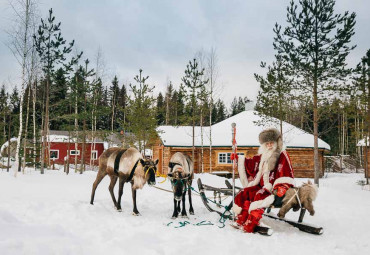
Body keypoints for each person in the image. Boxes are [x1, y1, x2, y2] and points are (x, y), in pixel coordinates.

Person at [232, 128, 295, 233]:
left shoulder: (282, 155)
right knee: (244, 193)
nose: (269, 145)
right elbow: (251, 163)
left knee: (258, 196)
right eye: (267, 143)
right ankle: (241, 219)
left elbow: (285, 170)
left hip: (270, 188)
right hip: (259, 185)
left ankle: (251, 223)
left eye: (271, 143)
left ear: (276, 143)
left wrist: (282, 186)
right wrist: (238, 158)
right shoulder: (262, 156)